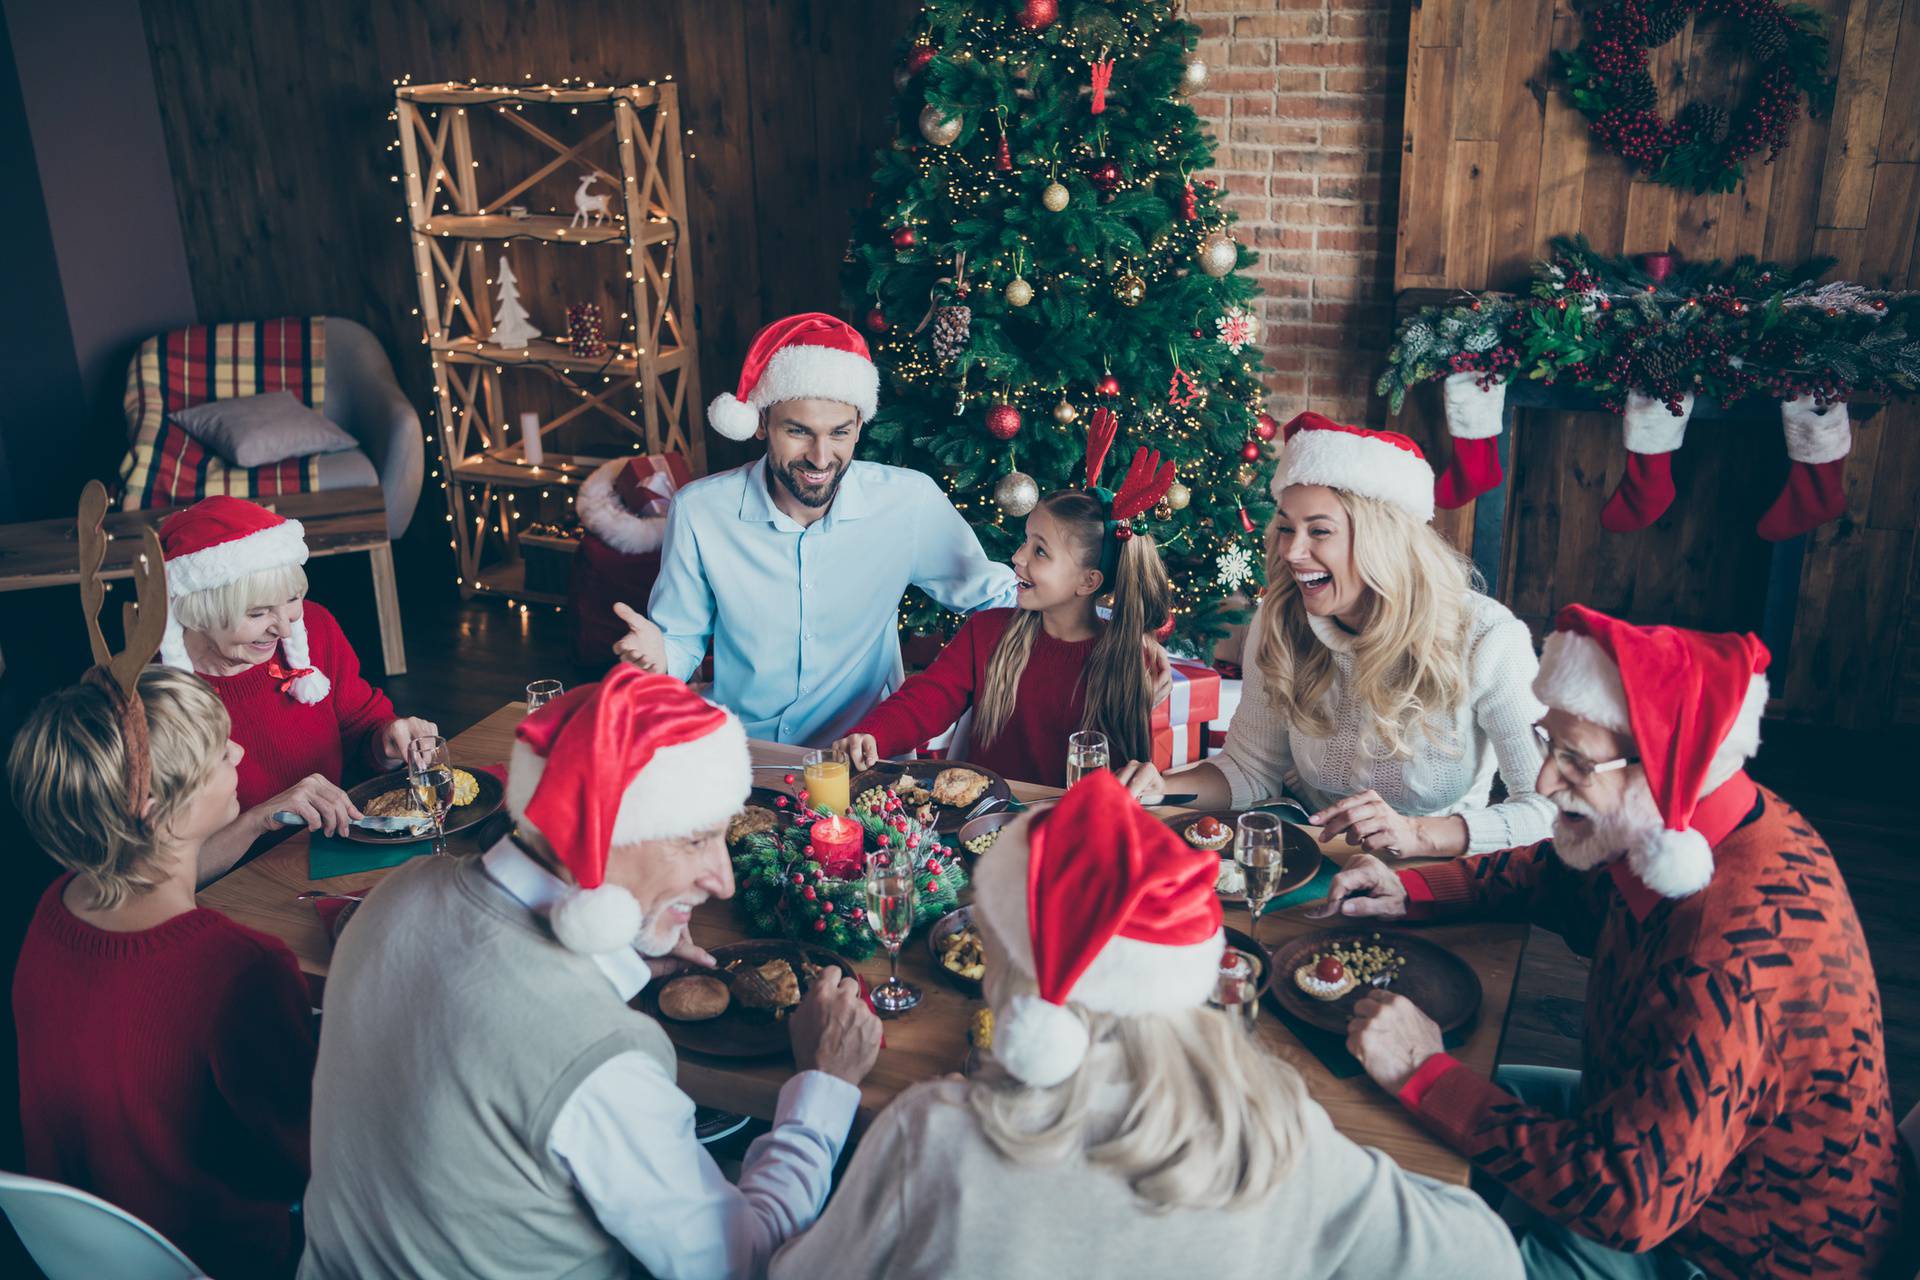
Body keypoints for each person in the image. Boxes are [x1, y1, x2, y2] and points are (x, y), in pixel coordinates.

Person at [1324, 605, 1909, 1278]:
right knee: (1384, 1096)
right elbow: (1560, 873)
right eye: (1551, 747)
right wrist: (1418, 891)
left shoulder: (1720, 957)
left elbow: (1629, 1205)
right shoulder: (1699, 820)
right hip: (1648, 1132)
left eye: (1574, 761)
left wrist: (1426, 1072)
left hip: (1725, 1248)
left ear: (1666, 765)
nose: (1545, 782)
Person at [769, 770, 1520, 1280]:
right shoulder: (1274, 1133)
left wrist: (813, 1098)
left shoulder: (932, 1137)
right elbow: (1487, 1257)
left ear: (1018, 983)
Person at [299, 665, 883, 1280]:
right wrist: (824, 1084)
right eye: (695, 841)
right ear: (599, 838)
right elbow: (741, 1261)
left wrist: (623, 955)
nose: (724, 878)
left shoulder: (398, 891)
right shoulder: (600, 1059)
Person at [1119, 412, 1553, 859]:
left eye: (1319, 531)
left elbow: (1550, 809)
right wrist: (1159, 788)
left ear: (1381, 539)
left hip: (1434, 873)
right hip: (1307, 856)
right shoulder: (1280, 620)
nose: (1291, 550)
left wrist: (1417, 834)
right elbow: (1251, 768)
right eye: (1286, 527)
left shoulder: (1488, 638)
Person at [9, 666, 316, 1279]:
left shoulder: (54, 908)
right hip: (232, 1258)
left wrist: (256, 818)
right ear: (154, 809)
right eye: (217, 751)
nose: (240, 750)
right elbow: (308, 1157)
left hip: (83, 1252)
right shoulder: (239, 968)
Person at [610, 312, 1018, 744]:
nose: (821, 458)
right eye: (798, 432)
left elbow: (997, 598)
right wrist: (659, 659)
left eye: (839, 432)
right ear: (763, 422)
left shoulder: (908, 502)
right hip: (740, 753)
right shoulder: (700, 511)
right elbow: (679, 638)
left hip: (864, 763)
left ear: (860, 425)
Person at [833, 430, 1176, 786]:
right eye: (1026, 540)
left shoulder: (1128, 661)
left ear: (1088, 582)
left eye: (1040, 551)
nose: (1017, 557)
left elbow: (1125, 774)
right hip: (985, 823)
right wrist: (872, 735)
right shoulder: (987, 632)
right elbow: (925, 700)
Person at [155, 495, 437, 878]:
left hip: (332, 854)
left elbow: (361, 730)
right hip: (235, 887)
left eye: (292, 600)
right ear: (198, 611)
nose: (284, 628)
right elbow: (163, 872)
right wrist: (261, 818)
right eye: (257, 613)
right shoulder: (156, 695)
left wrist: (388, 739)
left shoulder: (312, 629)